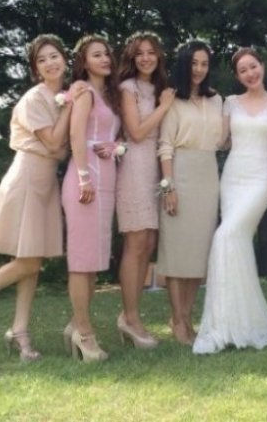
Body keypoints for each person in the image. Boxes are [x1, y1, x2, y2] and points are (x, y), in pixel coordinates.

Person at [0, 34, 73, 360]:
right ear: (36, 69)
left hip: (46, 181)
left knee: (32, 261)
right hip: (27, 178)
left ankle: (20, 331)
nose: (50, 63)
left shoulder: (63, 96)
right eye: (42, 60)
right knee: (28, 261)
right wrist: (69, 108)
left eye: (54, 56)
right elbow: (53, 143)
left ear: (64, 59)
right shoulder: (34, 98)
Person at [193, 47, 267, 354]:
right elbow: (220, 140)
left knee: (225, 235)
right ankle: (228, 323)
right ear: (237, 76)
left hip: (261, 177)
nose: (250, 73)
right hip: (233, 177)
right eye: (243, 70)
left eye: (253, 66)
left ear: (262, 65)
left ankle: (244, 322)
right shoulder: (230, 102)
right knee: (236, 242)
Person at [158, 40, 223, 345]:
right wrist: (169, 187)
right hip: (180, 173)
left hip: (208, 175)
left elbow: (223, 139)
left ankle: (186, 316)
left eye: (204, 64)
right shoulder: (172, 98)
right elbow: (165, 146)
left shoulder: (216, 99)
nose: (199, 69)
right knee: (177, 252)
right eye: (194, 63)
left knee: (198, 253)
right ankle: (178, 320)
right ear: (184, 64)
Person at [61, 35, 121, 362]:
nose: (104, 58)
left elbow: (112, 136)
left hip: (107, 179)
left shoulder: (108, 95)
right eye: (96, 55)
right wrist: (84, 176)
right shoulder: (83, 90)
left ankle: (75, 324)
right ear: (84, 62)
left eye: (106, 54)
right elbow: (76, 134)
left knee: (94, 260)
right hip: (86, 181)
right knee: (82, 260)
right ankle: (85, 335)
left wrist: (115, 146)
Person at [115, 31, 175, 348]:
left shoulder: (161, 88)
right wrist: (164, 107)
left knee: (148, 243)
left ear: (159, 56)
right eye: (139, 53)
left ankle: (130, 315)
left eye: (151, 52)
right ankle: (131, 317)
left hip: (155, 168)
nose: (146, 58)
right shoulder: (128, 88)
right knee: (136, 243)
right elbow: (137, 132)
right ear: (132, 58)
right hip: (135, 166)